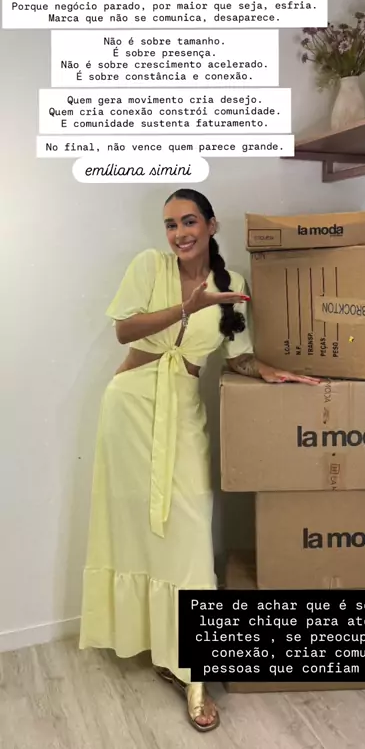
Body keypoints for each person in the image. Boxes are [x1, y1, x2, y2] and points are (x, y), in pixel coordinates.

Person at [79, 189, 320, 732]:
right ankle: (157, 645)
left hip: (183, 409)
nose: (179, 233)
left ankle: (194, 672)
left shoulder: (232, 283)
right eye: (170, 224)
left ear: (211, 225)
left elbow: (237, 354)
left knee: (189, 533)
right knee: (134, 527)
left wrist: (270, 371)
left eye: (189, 221)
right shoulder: (150, 266)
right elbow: (123, 329)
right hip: (129, 406)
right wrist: (188, 307)